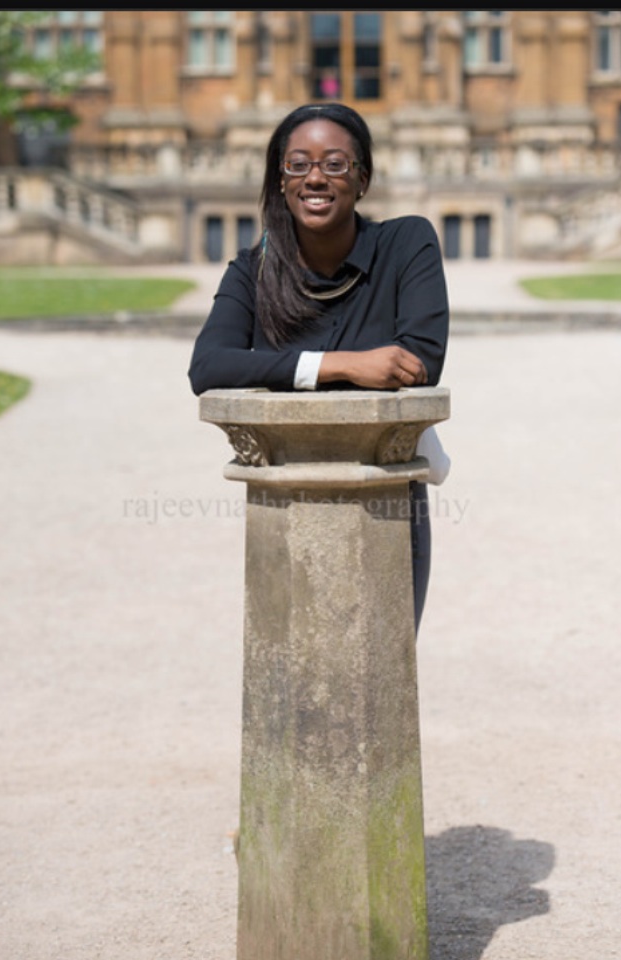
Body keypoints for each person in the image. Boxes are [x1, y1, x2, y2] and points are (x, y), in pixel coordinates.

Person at [188, 102, 450, 632]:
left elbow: (422, 358)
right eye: (297, 164)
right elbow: (208, 366)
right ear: (280, 180)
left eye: (334, 164)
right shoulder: (254, 270)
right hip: (285, 501)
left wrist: (273, 365)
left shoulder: (406, 244)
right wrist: (341, 364)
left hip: (386, 498)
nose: (315, 178)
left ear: (362, 179)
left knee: (382, 673)